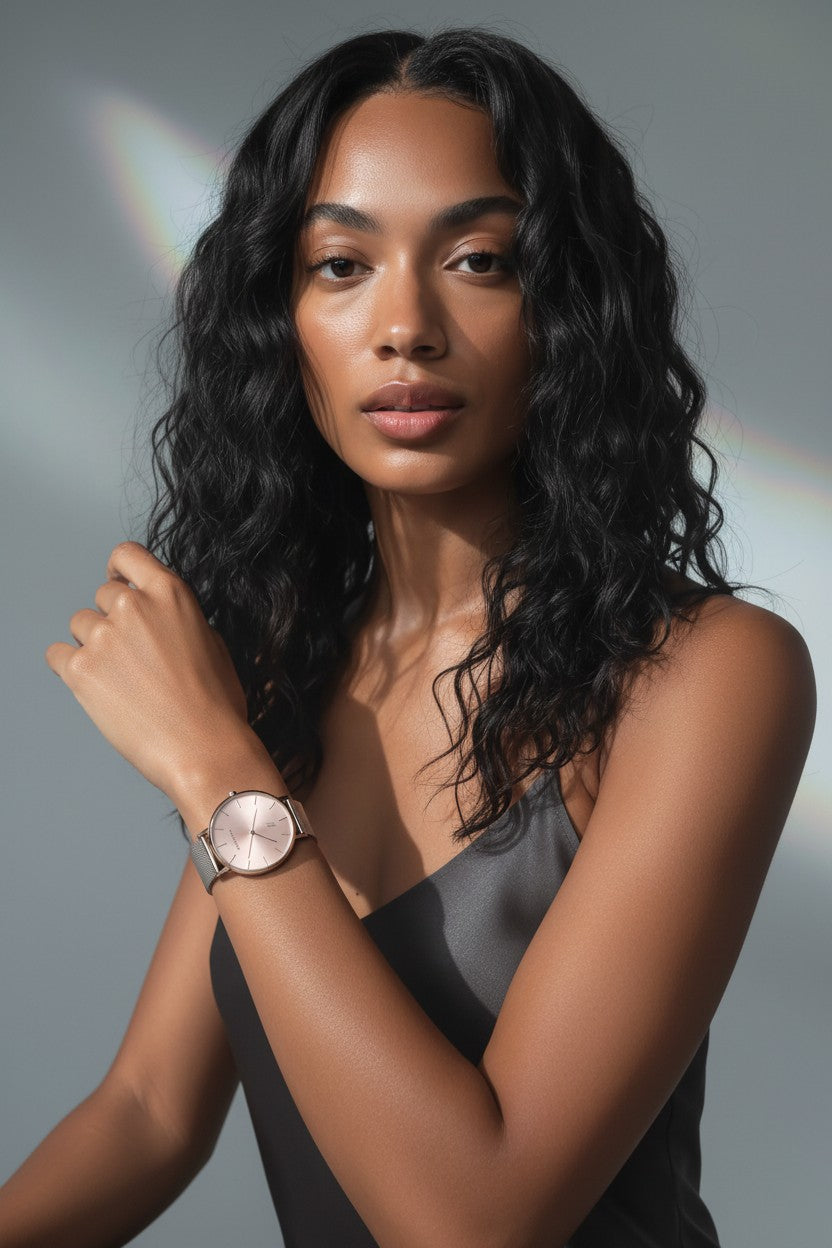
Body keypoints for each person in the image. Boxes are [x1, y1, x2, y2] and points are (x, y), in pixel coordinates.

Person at [0, 24, 816, 1248]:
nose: (405, 327)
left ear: (569, 304)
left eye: (481, 258)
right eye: (340, 266)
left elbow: (476, 1222)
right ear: (281, 321)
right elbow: (147, 1111)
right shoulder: (289, 668)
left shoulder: (705, 675)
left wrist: (215, 770)